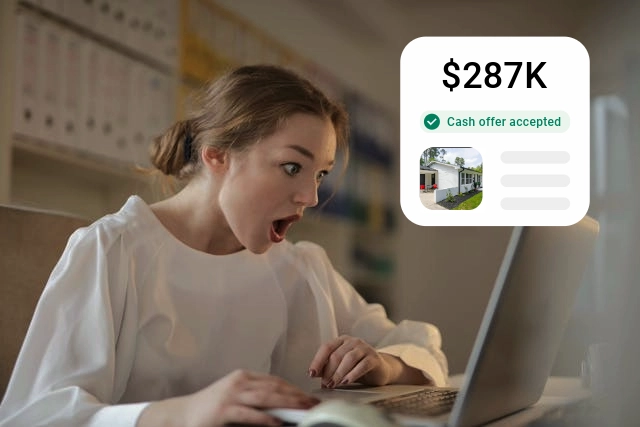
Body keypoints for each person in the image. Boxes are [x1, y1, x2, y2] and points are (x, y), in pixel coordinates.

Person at [0, 65, 447, 426]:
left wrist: (384, 365)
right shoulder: (113, 250)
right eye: (293, 167)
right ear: (216, 154)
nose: (310, 197)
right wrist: (183, 413)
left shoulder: (302, 267)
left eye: (321, 174)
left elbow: (417, 346)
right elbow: (34, 416)